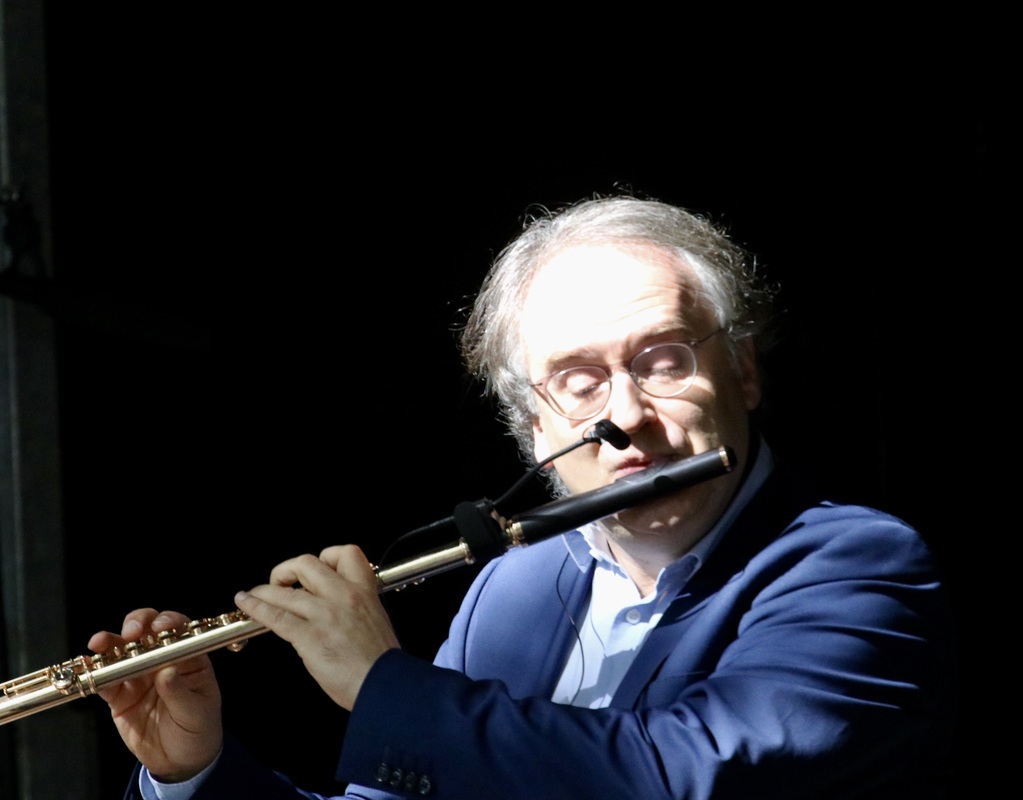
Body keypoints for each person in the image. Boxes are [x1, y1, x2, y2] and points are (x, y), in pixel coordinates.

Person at [95, 196, 958, 799]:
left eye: (663, 360)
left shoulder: (855, 566)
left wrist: (383, 685)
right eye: (579, 382)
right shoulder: (515, 587)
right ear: (536, 428)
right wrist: (194, 771)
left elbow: (684, 777)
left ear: (742, 370)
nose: (626, 415)